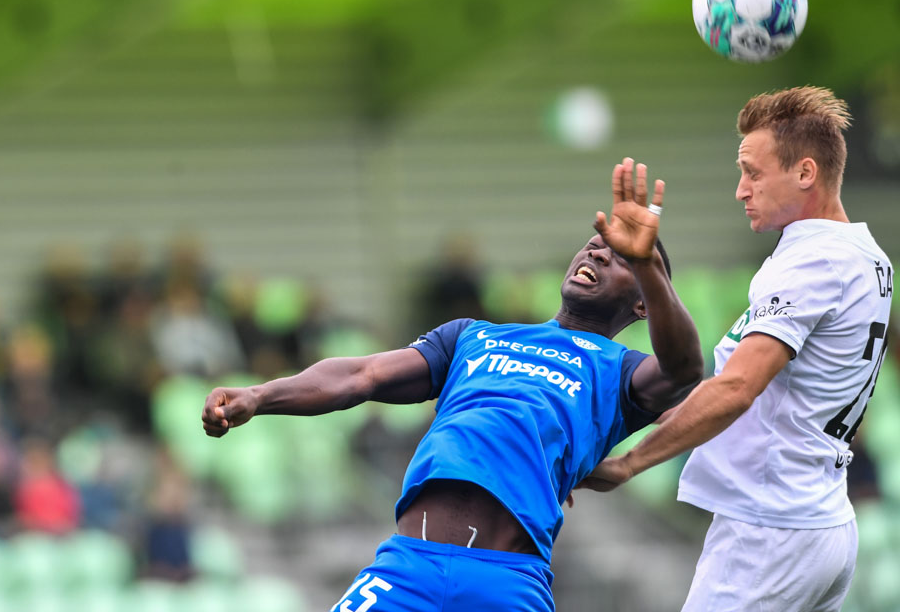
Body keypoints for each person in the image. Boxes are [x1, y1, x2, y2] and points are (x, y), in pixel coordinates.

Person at [201, 159, 703, 612]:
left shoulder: (620, 371)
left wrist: (647, 263)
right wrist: (259, 396)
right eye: (596, 244)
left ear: (643, 303)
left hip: (508, 583)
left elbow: (684, 369)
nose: (598, 252)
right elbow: (361, 375)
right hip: (407, 570)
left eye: (621, 258)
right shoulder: (473, 336)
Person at [582, 87, 894, 612]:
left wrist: (631, 464)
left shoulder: (813, 261)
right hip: (822, 520)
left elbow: (738, 388)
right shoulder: (866, 255)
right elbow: (767, 391)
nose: (740, 190)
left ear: (805, 172)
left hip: (769, 533)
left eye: (753, 173)